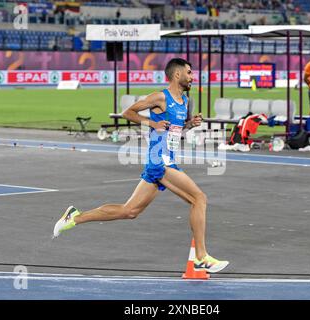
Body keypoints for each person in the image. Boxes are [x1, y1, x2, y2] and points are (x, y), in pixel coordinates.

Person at [52, 58, 229, 274]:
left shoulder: (183, 100)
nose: (193, 77)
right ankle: (201, 257)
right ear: (177, 75)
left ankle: (74, 217)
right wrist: (152, 123)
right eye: (189, 73)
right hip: (160, 160)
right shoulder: (160, 97)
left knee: (130, 211)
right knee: (199, 198)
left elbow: (174, 129)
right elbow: (128, 113)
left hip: (166, 159)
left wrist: (189, 125)